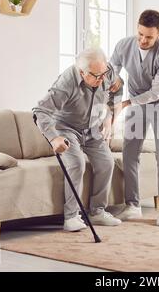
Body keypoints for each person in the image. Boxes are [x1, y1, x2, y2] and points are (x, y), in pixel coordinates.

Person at [33, 48, 122, 232]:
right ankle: (71, 217)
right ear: (82, 72)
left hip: (92, 128)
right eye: (96, 76)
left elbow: (118, 87)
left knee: (107, 162)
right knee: (76, 163)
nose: (101, 79)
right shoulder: (66, 82)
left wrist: (109, 117)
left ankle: (97, 212)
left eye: (103, 74)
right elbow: (41, 111)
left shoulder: (107, 72)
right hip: (67, 128)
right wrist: (54, 138)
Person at [110, 9, 159, 226]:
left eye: (149, 36)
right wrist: (114, 85)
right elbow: (111, 71)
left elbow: (157, 93)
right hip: (137, 103)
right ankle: (133, 205)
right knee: (130, 152)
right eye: (140, 34)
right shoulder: (124, 45)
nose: (143, 40)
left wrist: (126, 102)